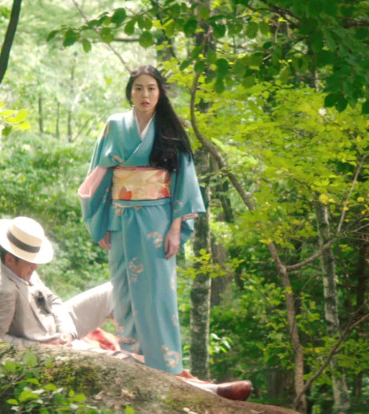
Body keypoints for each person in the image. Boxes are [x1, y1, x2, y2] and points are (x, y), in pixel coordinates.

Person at [78, 65, 251, 401]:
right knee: (123, 290)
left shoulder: (170, 128)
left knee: (157, 293)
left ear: (160, 93)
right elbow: (97, 176)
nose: (145, 95)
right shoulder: (114, 126)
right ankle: (132, 357)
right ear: (130, 91)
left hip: (157, 220)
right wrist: (99, 222)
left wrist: (175, 228)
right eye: (139, 88)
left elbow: (184, 180)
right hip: (120, 217)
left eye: (152, 89)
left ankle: (166, 367)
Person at [0, 216, 113, 346]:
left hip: (57, 325)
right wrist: (42, 346)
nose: (36, 267)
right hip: (44, 344)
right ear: (10, 259)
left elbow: (52, 300)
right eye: (31, 262)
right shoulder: (2, 290)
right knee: (122, 360)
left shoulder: (20, 268)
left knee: (112, 291)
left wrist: (67, 331)